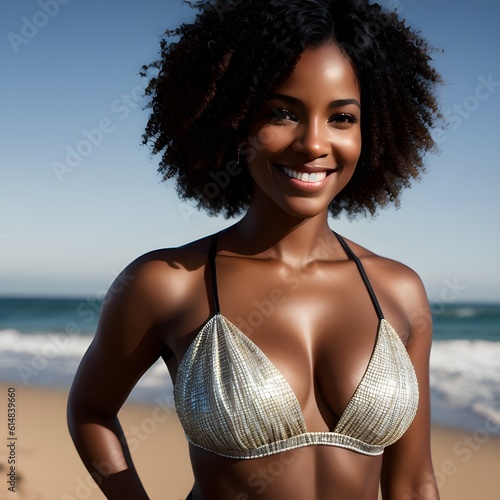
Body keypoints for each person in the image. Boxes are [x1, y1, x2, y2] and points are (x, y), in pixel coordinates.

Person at [67, 0, 443, 498]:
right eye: (282, 112)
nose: (313, 143)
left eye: (341, 118)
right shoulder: (168, 282)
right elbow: (91, 410)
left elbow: (414, 483)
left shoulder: (399, 292)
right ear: (234, 120)